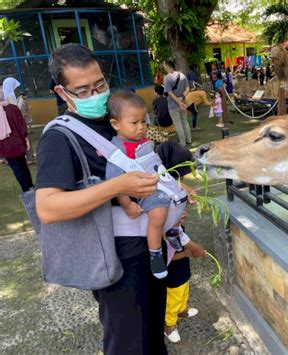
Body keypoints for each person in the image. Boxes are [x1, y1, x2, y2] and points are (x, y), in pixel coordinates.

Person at [36, 43, 167, 354]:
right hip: (114, 261)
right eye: (83, 90)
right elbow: (47, 208)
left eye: (100, 85)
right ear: (62, 92)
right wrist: (117, 186)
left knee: (152, 335)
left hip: (150, 249)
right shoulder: (59, 137)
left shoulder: (117, 117)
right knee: (128, 343)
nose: (95, 94)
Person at [106, 91, 177, 279]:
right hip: (144, 192)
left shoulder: (142, 140)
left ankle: (173, 232)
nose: (141, 127)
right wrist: (127, 204)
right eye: (134, 123)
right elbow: (114, 183)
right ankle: (155, 253)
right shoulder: (118, 152)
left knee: (180, 201)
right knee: (159, 214)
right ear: (116, 124)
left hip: (158, 181)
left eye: (144, 121)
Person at [164, 212, 205, 343]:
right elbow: (166, 258)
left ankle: (182, 311)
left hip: (182, 271)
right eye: (178, 212)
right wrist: (186, 253)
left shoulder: (179, 228)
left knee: (184, 292)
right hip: (173, 275)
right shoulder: (166, 234)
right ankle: (169, 325)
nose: (184, 214)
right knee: (173, 300)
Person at [0, 86, 33, 192]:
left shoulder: (12, 108)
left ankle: (26, 189)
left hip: (5, 146)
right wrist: (25, 137)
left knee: (16, 167)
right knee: (22, 164)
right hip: (18, 143)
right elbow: (21, 125)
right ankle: (30, 185)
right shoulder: (13, 108)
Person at [163, 58, 192, 147]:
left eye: (164, 65)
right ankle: (189, 139)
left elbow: (169, 92)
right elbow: (188, 88)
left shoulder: (167, 78)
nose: (163, 66)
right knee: (185, 121)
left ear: (167, 66)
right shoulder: (182, 75)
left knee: (178, 123)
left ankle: (182, 142)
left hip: (173, 105)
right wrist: (182, 97)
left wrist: (177, 101)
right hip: (183, 103)